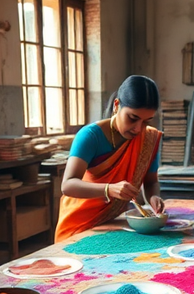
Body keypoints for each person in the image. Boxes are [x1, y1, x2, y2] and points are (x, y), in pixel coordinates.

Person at [55, 75, 165, 241]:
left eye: (146, 122)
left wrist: (153, 198)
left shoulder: (148, 139)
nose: (138, 129)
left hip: (113, 224)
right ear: (116, 105)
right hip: (79, 227)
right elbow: (68, 185)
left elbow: (151, 182)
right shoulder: (90, 136)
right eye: (133, 118)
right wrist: (108, 189)